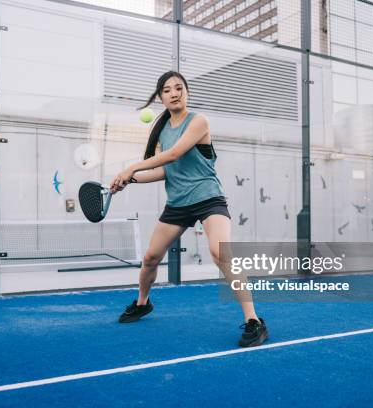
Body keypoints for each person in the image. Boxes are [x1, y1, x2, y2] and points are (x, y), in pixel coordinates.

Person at [110, 71, 268, 347]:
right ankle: (142, 302)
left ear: (187, 92)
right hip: (178, 203)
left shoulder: (199, 121)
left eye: (179, 88)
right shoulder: (161, 131)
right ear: (161, 97)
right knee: (150, 258)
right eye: (168, 90)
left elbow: (174, 155)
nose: (174, 93)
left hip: (208, 198)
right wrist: (130, 180)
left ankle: (254, 320)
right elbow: (165, 170)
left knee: (220, 252)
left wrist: (132, 166)